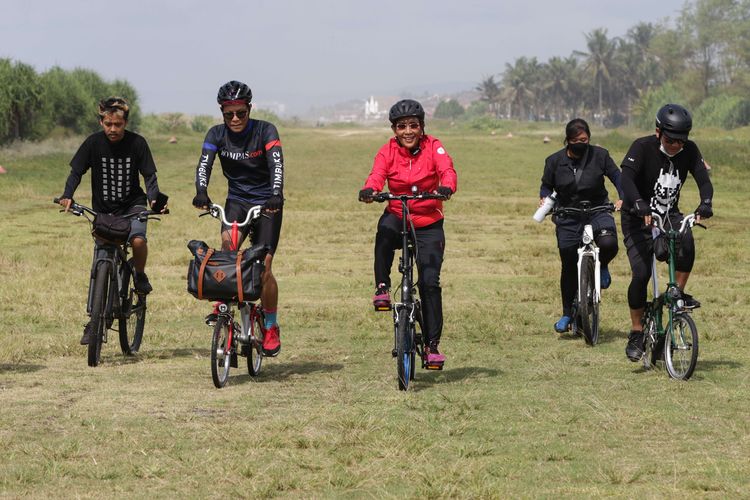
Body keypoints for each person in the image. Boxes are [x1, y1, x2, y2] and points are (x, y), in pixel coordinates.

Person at [58, 96, 167, 344]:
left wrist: (154, 200)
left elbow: (150, 177)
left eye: (117, 124)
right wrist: (67, 195)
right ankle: (94, 320)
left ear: (125, 123)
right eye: (108, 124)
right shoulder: (93, 143)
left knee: (138, 241)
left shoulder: (138, 143)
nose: (113, 129)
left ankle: (139, 275)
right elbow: (76, 172)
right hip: (103, 211)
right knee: (100, 259)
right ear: (101, 121)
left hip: (133, 206)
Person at [358, 99, 457, 366]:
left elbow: (446, 169)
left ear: (422, 127)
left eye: (413, 125)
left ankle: (432, 346)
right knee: (384, 231)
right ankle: (381, 287)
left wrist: (447, 186)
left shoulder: (434, 146)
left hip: (428, 222)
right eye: (402, 127)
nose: (408, 131)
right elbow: (377, 174)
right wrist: (370, 190)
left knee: (429, 283)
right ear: (394, 130)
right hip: (398, 215)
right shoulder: (387, 150)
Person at [192, 80, 284, 357]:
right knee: (227, 251)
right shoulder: (216, 134)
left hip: (268, 203)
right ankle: (223, 308)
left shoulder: (265, 130)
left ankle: (269, 325)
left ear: (249, 109)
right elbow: (204, 164)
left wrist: (276, 194)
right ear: (222, 112)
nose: (234, 119)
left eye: (240, 113)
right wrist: (201, 192)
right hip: (237, 202)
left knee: (264, 266)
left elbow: (276, 164)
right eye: (228, 113)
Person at [620, 103, 713, 362]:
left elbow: (703, 180)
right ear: (658, 131)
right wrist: (638, 203)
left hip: (668, 214)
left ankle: (677, 293)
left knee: (687, 242)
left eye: (681, 141)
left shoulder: (689, 150)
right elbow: (625, 179)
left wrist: (706, 203)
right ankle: (637, 331)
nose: (675, 146)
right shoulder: (641, 147)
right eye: (671, 140)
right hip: (637, 216)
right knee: (641, 274)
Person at [539, 118, 623, 333]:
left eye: (584, 139)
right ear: (567, 140)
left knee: (609, 242)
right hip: (568, 213)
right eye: (576, 140)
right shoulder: (554, 161)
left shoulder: (600, 155)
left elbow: (617, 176)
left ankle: (602, 265)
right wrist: (544, 198)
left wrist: (623, 197)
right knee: (568, 262)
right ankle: (567, 313)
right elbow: (546, 186)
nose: (581, 143)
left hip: (597, 210)